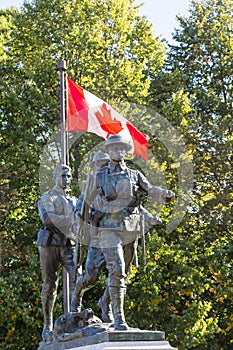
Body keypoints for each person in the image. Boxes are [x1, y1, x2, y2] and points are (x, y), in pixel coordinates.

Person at [72, 135, 175, 331]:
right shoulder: (98, 177)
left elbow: (150, 189)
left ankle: (105, 302)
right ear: (109, 152)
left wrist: (164, 194)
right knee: (104, 273)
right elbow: (84, 205)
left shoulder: (134, 175)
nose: (118, 152)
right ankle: (117, 318)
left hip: (129, 229)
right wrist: (85, 221)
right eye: (114, 149)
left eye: (121, 149)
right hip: (106, 230)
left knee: (123, 273)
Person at [36, 164, 79, 343]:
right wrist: (72, 219)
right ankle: (48, 325)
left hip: (69, 243)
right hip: (50, 243)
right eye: (63, 176)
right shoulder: (47, 197)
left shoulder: (75, 200)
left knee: (79, 278)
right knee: (49, 285)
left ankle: (76, 319)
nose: (66, 179)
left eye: (68, 176)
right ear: (55, 177)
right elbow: (48, 219)